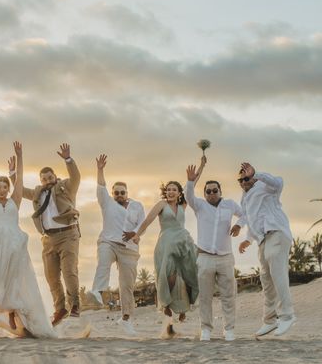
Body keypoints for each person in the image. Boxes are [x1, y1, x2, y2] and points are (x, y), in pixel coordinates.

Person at [0, 141, 55, 338]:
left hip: (14, 246)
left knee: (14, 280)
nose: (2, 189)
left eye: (5, 186)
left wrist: (20, 156)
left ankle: (13, 314)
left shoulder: (15, 201)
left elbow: (19, 179)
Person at [11, 143, 81, 326]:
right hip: (48, 239)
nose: (47, 180)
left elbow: (76, 176)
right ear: (41, 180)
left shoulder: (65, 186)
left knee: (68, 271)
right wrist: (12, 175)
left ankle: (74, 305)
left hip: (68, 235)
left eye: (50, 177)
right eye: (44, 179)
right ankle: (60, 309)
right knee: (51, 277)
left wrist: (68, 160)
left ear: (55, 177)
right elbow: (21, 191)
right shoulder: (37, 192)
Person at [129, 180, 198, 337]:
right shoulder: (162, 205)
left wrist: (199, 169)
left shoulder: (183, 206)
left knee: (189, 276)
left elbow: (191, 187)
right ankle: (168, 319)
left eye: (174, 189)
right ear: (165, 192)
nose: (171, 192)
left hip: (183, 243)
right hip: (166, 245)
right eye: (168, 190)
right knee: (169, 280)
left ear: (179, 193)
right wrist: (138, 234)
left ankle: (184, 309)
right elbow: (148, 219)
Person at [186, 157, 243, 341]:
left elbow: (245, 214)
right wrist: (190, 180)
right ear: (204, 193)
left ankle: (230, 329)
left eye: (214, 190)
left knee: (229, 296)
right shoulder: (200, 206)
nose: (211, 193)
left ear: (220, 191)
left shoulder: (230, 205)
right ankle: (206, 330)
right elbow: (188, 195)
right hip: (205, 258)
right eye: (208, 191)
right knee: (205, 297)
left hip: (226, 257)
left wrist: (239, 225)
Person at [88, 154, 145, 336]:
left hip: (129, 249)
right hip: (108, 241)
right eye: (116, 192)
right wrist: (100, 169)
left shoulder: (137, 206)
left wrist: (136, 235)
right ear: (113, 194)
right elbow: (101, 186)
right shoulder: (107, 203)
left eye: (122, 192)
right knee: (103, 262)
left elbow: (142, 225)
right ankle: (97, 290)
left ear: (127, 193)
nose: (119, 195)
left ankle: (126, 319)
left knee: (127, 285)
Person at [237, 162, 296, 337]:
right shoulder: (244, 197)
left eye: (247, 178)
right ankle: (270, 320)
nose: (244, 182)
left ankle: (287, 315)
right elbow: (251, 218)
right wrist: (247, 240)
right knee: (266, 280)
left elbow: (279, 182)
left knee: (277, 272)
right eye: (240, 180)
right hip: (262, 239)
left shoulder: (266, 186)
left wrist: (258, 174)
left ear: (252, 177)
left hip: (277, 233)